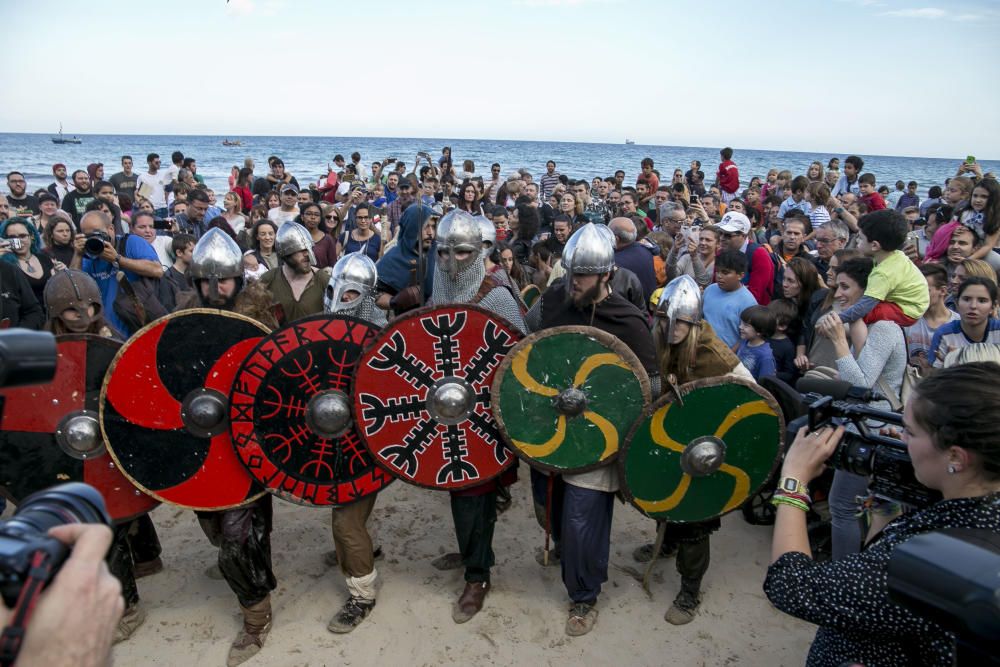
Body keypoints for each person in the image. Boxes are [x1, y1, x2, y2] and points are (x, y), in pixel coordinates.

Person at [764, 362, 1000, 667]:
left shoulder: (939, 565)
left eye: (911, 433)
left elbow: (790, 586)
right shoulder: (976, 510)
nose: (901, 439)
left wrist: (793, 480)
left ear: (955, 456)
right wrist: (891, 498)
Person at [526, 222, 658, 636]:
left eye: (582, 276)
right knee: (552, 507)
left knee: (584, 515)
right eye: (571, 272)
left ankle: (584, 595)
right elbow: (527, 346)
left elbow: (648, 386)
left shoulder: (629, 321)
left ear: (607, 276)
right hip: (553, 424)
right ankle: (566, 551)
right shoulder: (553, 300)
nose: (574, 282)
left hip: (602, 434)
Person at [172, 229, 278, 666]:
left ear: (239, 279)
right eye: (207, 282)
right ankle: (255, 568)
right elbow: (167, 377)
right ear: (195, 282)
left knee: (237, 537)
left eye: (225, 281)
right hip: (202, 440)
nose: (216, 290)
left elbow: (277, 379)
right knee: (216, 523)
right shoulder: (180, 318)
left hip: (249, 441)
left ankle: (256, 620)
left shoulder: (260, 318)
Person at [637, 275, 753, 623]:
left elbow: (751, 398)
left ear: (694, 322)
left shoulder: (713, 353)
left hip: (704, 449)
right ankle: (667, 543)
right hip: (673, 439)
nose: (671, 328)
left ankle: (690, 590)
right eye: (665, 320)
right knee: (666, 497)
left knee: (695, 521)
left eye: (680, 323)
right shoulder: (660, 339)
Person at [815, 257, 907, 560]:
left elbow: (863, 387)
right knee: (879, 507)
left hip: (875, 431)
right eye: (836, 285)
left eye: (845, 287)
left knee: (843, 506)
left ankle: (845, 579)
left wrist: (840, 342)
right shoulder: (865, 323)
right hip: (871, 428)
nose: (838, 293)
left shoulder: (884, 328)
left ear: (868, 291)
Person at [821, 211, 928, 348]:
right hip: (915, 304)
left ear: (875, 246)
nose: (857, 241)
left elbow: (863, 307)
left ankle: (861, 352)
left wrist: (837, 319)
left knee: (859, 314)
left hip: (906, 311)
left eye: (860, 238)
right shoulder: (895, 255)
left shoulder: (883, 274)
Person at [70, 210, 163, 336]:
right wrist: (78, 254)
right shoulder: (89, 255)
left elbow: (157, 270)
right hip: (107, 331)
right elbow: (73, 287)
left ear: (111, 229)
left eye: (97, 233)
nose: (93, 238)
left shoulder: (131, 242)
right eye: (88, 235)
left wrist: (118, 259)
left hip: (137, 326)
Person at [259, 221, 331, 323]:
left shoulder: (324, 281)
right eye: (301, 250)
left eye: (309, 249)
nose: (307, 254)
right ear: (286, 253)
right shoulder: (268, 280)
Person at [374, 204, 437, 315]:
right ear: (412, 228)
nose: (430, 232)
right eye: (426, 226)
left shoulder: (441, 253)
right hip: (407, 323)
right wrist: (394, 301)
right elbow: (375, 295)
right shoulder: (392, 259)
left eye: (433, 227)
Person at [929, 277, 1000, 367]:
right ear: (957, 303)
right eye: (966, 299)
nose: (973, 306)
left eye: (982, 301)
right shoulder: (944, 334)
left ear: (993, 307)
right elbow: (934, 375)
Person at [906, 263, 958, 372]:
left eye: (924, 289)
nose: (917, 294)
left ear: (943, 291)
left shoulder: (958, 324)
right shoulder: (907, 320)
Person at [702, 250, 758, 348]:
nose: (719, 276)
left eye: (725, 273)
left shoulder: (748, 302)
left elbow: (746, 338)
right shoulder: (710, 289)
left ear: (740, 275)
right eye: (718, 271)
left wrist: (729, 358)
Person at [717, 211, 775, 304]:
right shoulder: (720, 252)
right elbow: (715, 286)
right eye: (720, 233)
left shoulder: (759, 255)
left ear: (743, 235)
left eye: (728, 235)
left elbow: (755, 296)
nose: (722, 238)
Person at [609, 217, 656, 303]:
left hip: (632, 310)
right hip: (648, 308)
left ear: (616, 239)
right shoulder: (646, 250)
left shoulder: (615, 263)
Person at [736, 305, 777, 380]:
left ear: (760, 331)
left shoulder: (765, 357)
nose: (740, 327)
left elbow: (764, 383)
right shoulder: (745, 341)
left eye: (746, 325)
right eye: (741, 323)